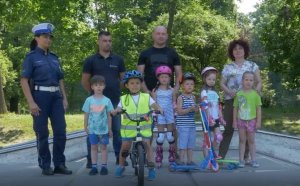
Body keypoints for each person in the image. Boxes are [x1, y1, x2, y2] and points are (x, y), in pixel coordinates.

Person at [20, 23, 72, 175]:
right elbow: (24, 80)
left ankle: (59, 164)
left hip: (56, 98)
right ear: (36, 38)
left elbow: (60, 79)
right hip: (39, 97)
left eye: (50, 37)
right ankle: (45, 165)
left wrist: (64, 98)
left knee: (61, 131)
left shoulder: (55, 58)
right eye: (45, 37)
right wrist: (31, 102)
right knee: (42, 133)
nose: (48, 40)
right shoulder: (31, 57)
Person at [81, 31, 126, 168]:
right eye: (105, 40)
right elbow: (84, 81)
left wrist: (116, 89)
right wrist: (94, 94)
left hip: (113, 101)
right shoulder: (90, 60)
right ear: (98, 41)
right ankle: (91, 160)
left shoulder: (118, 60)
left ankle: (120, 159)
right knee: (93, 130)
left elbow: (123, 79)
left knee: (117, 130)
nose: (108, 43)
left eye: (110, 41)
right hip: (96, 102)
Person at [137, 25, 182, 152]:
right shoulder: (145, 54)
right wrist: (146, 92)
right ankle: (147, 156)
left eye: (163, 34)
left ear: (167, 36)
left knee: (172, 127)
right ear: (153, 35)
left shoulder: (172, 53)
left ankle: (175, 154)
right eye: (158, 33)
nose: (161, 36)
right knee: (148, 126)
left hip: (168, 96)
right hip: (150, 95)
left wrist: (176, 90)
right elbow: (139, 75)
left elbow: (179, 74)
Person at [114, 70, 163, 180]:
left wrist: (159, 108)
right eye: (132, 83)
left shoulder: (146, 97)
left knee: (147, 144)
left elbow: (154, 105)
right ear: (127, 85)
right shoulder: (124, 98)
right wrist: (115, 111)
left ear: (141, 84)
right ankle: (121, 166)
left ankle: (151, 168)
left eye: (137, 83)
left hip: (144, 127)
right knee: (125, 146)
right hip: (128, 129)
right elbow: (119, 108)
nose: (135, 85)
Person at [219, 38, 262, 162]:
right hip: (231, 100)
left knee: (248, 129)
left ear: (245, 50)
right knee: (228, 129)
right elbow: (222, 83)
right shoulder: (227, 67)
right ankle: (221, 157)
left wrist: (255, 93)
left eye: (240, 48)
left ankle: (246, 157)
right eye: (235, 49)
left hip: (248, 102)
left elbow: (259, 82)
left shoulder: (252, 65)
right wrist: (229, 92)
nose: (238, 51)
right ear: (232, 52)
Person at [82, 75, 114, 175]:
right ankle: (94, 167)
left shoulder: (107, 100)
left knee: (104, 148)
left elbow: (109, 116)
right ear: (92, 87)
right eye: (96, 85)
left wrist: (110, 129)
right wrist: (85, 126)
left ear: (104, 86)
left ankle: (104, 166)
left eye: (101, 85)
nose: (99, 87)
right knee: (94, 147)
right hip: (92, 129)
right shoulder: (89, 100)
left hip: (104, 129)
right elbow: (86, 114)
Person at [233, 71, 262, 168]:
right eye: (246, 79)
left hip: (252, 121)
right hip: (241, 121)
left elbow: (258, 109)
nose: (248, 82)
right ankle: (241, 160)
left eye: (251, 80)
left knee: (251, 141)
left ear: (253, 82)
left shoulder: (255, 95)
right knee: (242, 140)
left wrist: (258, 121)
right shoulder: (238, 94)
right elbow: (235, 108)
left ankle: (253, 160)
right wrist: (234, 121)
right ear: (242, 81)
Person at [152, 65, 177, 167]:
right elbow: (153, 103)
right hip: (160, 114)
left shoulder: (172, 90)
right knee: (161, 137)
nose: (164, 79)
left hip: (170, 114)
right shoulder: (155, 90)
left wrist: (175, 111)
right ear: (158, 78)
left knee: (170, 137)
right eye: (162, 77)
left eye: (166, 77)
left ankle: (172, 156)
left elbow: (174, 102)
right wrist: (157, 109)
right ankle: (159, 156)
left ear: (169, 78)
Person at [200, 67, 226, 159]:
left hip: (216, 119)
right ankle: (207, 158)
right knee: (207, 140)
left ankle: (213, 153)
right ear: (204, 79)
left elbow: (218, 107)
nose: (211, 81)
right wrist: (209, 118)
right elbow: (205, 106)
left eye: (213, 79)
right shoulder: (204, 92)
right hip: (207, 119)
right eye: (209, 79)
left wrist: (221, 118)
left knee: (219, 137)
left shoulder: (215, 93)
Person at [175, 72, 197, 165]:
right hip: (183, 125)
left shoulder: (193, 97)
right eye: (187, 84)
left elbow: (194, 110)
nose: (189, 86)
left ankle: (190, 161)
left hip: (191, 125)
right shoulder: (181, 97)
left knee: (190, 144)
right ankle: (181, 160)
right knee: (183, 144)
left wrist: (196, 109)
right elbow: (179, 111)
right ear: (182, 86)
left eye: (191, 84)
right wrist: (190, 109)